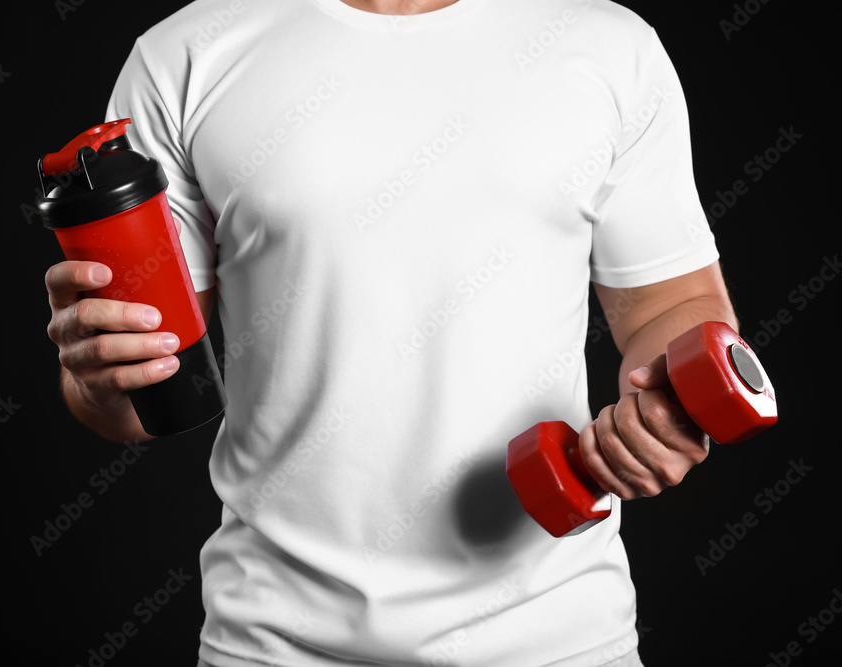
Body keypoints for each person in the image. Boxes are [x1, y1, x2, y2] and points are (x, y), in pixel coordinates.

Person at [44, 0, 736, 664]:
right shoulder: (184, 54)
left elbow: (669, 305)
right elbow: (148, 386)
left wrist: (674, 404)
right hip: (275, 642)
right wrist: (98, 377)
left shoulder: (608, 43)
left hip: (558, 636)